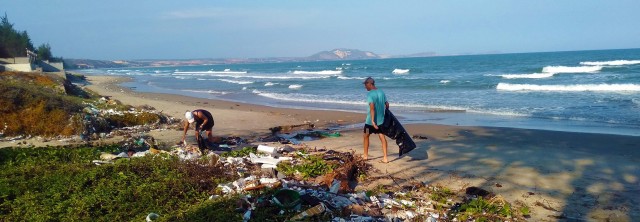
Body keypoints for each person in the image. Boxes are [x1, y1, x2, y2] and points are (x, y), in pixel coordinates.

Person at [362, 77, 389, 163]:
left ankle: (365, 156)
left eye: (366, 85)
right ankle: (385, 158)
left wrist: (373, 121)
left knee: (366, 136)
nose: (365, 87)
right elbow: (387, 104)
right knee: (382, 136)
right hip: (380, 120)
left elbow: (372, 107)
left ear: (370, 84)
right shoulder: (381, 92)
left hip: (370, 121)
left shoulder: (370, 94)